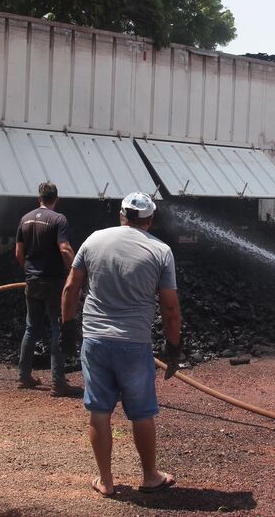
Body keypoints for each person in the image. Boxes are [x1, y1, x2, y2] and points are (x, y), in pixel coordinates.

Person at [61, 192, 182, 498]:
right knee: (141, 413)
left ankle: (106, 481)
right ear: (150, 220)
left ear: (121, 216)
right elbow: (170, 308)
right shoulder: (160, 251)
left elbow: (71, 287)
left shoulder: (93, 240)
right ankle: (150, 476)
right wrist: (174, 347)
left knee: (99, 412)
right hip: (134, 344)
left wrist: (67, 330)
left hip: (95, 341)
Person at [15, 181, 81, 397]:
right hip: (53, 281)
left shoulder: (24, 219)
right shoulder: (59, 219)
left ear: (39, 198)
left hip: (31, 281)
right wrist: (75, 273)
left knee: (31, 328)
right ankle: (57, 382)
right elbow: (64, 248)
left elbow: (18, 253)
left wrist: (29, 273)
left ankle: (24, 377)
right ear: (56, 198)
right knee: (57, 328)